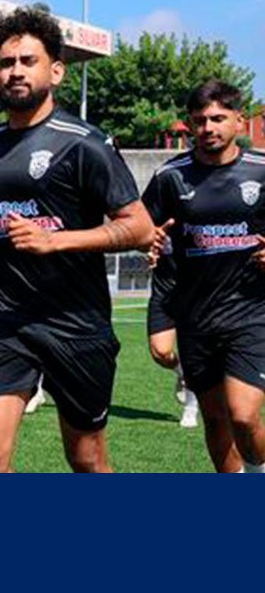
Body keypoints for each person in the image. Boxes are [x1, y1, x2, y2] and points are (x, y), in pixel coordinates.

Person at [0, 6, 153, 473]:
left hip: (74, 320)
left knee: (84, 456)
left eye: (28, 60)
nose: (16, 71)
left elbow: (139, 226)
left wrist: (57, 241)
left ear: (56, 71)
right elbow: (1, 208)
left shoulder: (83, 142)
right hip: (4, 314)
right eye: (6, 63)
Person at [141, 79, 263, 473]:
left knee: (243, 416)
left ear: (239, 121)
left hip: (252, 313)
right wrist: (149, 238)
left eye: (217, 118)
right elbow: (137, 225)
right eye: (199, 120)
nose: (208, 128)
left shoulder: (261, 172)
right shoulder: (170, 177)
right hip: (195, 316)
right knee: (215, 419)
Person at [145, 238, 200, 427]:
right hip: (163, 294)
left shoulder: (198, 215)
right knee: (160, 353)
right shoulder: (157, 214)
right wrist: (147, 249)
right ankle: (182, 371)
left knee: (191, 355)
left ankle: (191, 407)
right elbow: (139, 235)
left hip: (196, 296)